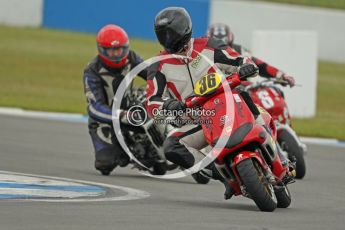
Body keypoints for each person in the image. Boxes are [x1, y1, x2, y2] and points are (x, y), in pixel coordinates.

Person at [146, 7, 260, 199]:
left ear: (184, 29)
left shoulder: (208, 45)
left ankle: (275, 148)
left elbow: (238, 58)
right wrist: (167, 105)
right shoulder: (158, 65)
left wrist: (246, 66)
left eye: (171, 33)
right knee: (171, 146)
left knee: (244, 95)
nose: (168, 39)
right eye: (163, 35)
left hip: (228, 104)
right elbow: (152, 101)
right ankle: (224, 176)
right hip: (200, 119)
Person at [83, 24, 148, 175]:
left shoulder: (132, 58)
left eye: (119, 49)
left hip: (130, 106)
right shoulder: (92, 70)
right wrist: (120, 115)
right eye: (111, 50)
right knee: (105, 164)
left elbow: (152, 74)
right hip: (104, 120)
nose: (116, 54)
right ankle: (125, 151)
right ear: (102, 50)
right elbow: (93, 107)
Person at [207, 23, 295, 87]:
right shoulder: (203, 52)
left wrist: (281, 75)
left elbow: (259, 65)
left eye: (224, 46)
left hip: (238, 91)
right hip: (210, 95)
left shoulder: (239, 50)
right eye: (217, 46)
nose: (222, 53)